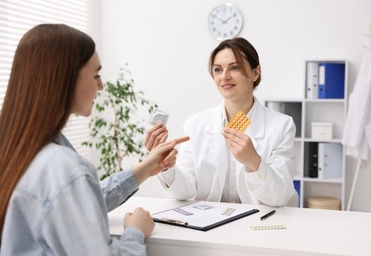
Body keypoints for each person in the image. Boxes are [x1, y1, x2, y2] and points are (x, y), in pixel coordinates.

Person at [0, 24, 189, 255]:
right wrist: (135, 232)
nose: (101, 86)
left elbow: (78, 202)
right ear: (65, 79)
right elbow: (72, 191)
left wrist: (147, 167)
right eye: (96, 75)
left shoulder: (15, 147)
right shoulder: (63, 168)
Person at [145, 37, 298, 207]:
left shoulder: (282, 125)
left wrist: (254, 162)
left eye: (235, 67)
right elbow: (186, 190)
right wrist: (166, 167)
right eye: (218, 70)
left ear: (255, 73)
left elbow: (279, 197)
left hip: (260, 222)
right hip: (211, 222)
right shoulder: (196, 123)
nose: (224, 77)